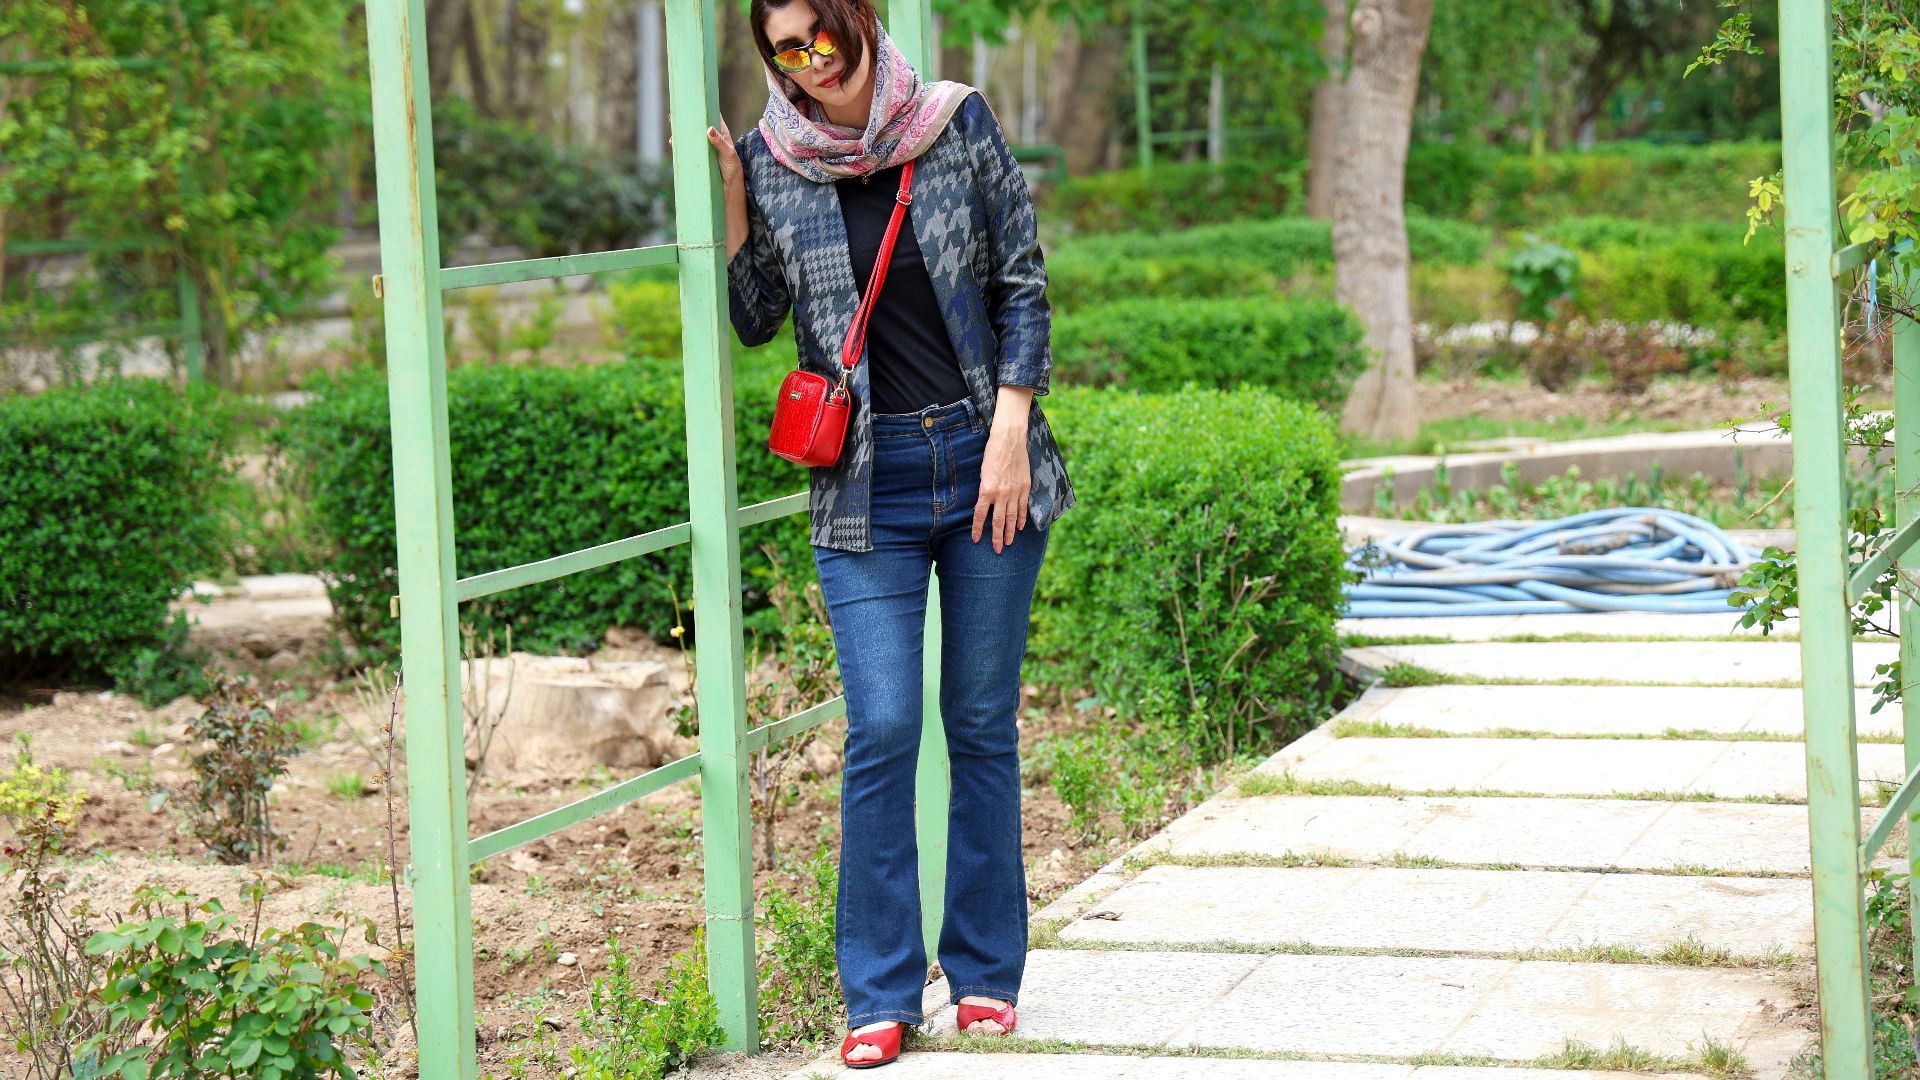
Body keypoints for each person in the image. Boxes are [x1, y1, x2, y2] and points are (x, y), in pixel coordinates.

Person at [696, 0, 1074, 1067]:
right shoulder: (775, 156)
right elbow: (757, 317)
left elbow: (1022, 281)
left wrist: (1012, 429)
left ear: (858, 21)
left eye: (821, 38)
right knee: (885, 726)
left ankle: (986, 975)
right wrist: (736, 198)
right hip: (864, 485)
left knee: (981, 722)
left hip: (986, 460)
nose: (810, 64)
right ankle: (880, 989)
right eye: (785, 50)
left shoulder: (954, 122)